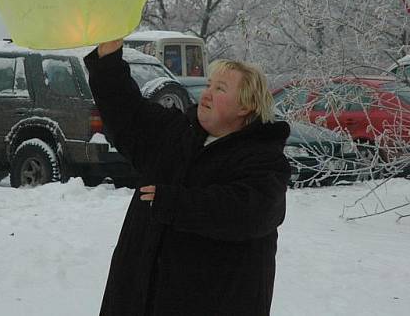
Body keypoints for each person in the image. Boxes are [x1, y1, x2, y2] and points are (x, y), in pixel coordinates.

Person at [84, 39, 290, 316]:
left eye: (220, 89)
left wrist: (175, 204)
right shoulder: (173, 134)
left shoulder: (263, 160)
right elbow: (126, 110)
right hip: (136, 300)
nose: (207, 93)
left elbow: (250, 211)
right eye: (208, 85)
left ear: (245, 106)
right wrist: (108, 58)